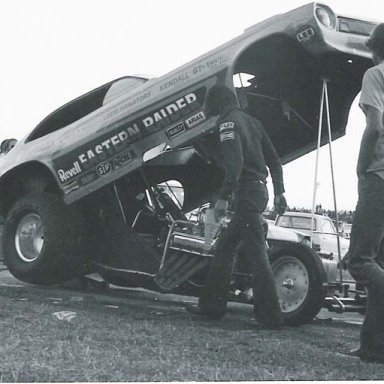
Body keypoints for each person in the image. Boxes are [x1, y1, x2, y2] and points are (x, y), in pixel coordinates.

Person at [186, 84, 287, 329]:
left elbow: (235, 165)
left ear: (218, 102)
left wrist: (222, 198)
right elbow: (275, 162)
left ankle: (271, 317)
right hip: (258, 191)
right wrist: (279, 192)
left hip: (247, 192)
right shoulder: (254, 123)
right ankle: (211, 306)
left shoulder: (228, 124)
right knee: (225, 249)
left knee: (256, 255)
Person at [346, 23, 384, 363]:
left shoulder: (375, 74)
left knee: (359, 260)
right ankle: (374, 347)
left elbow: (374, 126)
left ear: (374, 48)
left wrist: (360, 167)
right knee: (380, 262)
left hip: (378, 176)